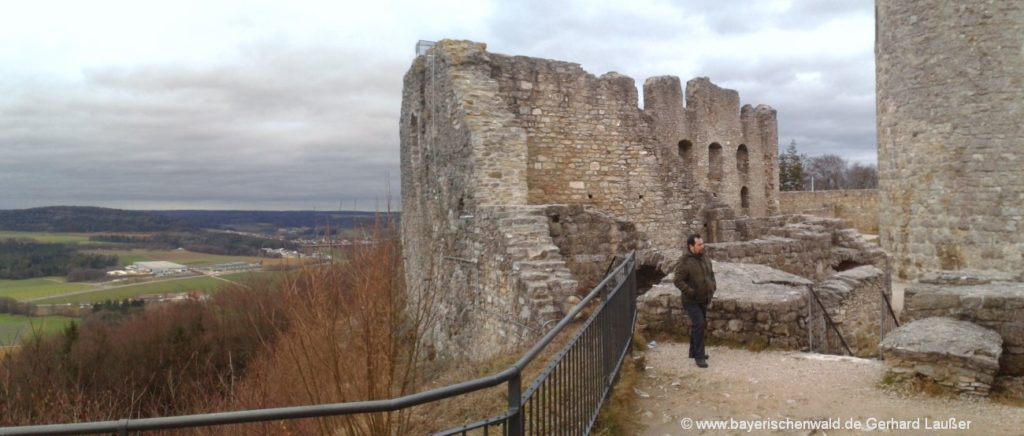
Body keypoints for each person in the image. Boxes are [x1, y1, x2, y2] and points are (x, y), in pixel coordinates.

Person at [673, 233, 716, 368]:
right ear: (691, 246)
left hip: (704, 298)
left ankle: (693, 351)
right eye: (699, 244)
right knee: (699, 323)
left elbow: (711, 273)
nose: (702, 246)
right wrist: (690, 291)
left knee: (699, 325)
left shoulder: (704, 258)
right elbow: (677, 280)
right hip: (691, 300)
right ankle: (699, 356)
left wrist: (713, 285)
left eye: (702, 244)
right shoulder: (684, 262)